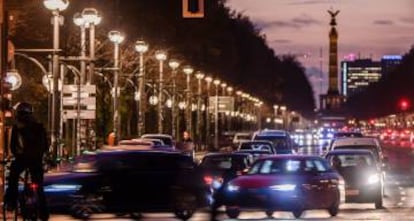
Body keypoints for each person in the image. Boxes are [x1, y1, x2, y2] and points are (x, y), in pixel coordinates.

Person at [4, 102, 49, 221]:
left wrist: (16, 156)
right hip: (36, 161)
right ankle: (43, 213)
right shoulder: (39, 126)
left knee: (13, 178)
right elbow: (46, 145)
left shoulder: (17, 127)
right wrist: (41, 155)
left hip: (22, 160)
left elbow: (13, 147)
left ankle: (11, 203)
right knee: (39, 186)